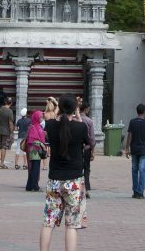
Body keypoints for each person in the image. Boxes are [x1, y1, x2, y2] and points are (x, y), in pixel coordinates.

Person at [40, 92, 89, 251]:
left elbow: (53, 120)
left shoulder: (50, 125)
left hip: (54, 179)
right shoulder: (80, 127)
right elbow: (88, 142)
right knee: (72, 225)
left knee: (49, 222)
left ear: (59, 108)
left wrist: (60, 111)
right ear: (75, 108)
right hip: (74, 181)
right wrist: (77, 115)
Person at [124, 103, 145, 200]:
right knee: (142, 170)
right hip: (144, 150)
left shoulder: (132, 122)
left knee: (134, 170)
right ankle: (140, 192)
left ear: (137, 111)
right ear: (144, 111)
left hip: (134, 149)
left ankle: (135, 191)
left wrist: (127, 149)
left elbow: (129, 135)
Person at [25, 110, 48, 192]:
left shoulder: (38, 126)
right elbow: (32, 139)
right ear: (36, 118)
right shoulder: (34, 127)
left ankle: (29, 186)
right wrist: (42, 145)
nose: (42, 118)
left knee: (34, 168)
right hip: (35, 150)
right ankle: (35, 186)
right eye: (40, 117)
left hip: (36, 149)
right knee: (35, 168)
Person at [79, 101, 95, 196]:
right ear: (86, 109)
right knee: (87, 168)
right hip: (87, 148)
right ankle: (86, 189)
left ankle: (78, 188)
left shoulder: (75, 119)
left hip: (77, 148)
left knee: (78, 168)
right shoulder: (89, 121)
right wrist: (93, 150)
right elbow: (92, 139)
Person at [0, 97, 14, 170]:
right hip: (6, 131)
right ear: (11, 103)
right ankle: (1, 164)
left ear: (5, 102)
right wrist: (12, 132)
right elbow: (10, 123)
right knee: (3, 147)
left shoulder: (0, 109)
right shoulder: (10, 111)